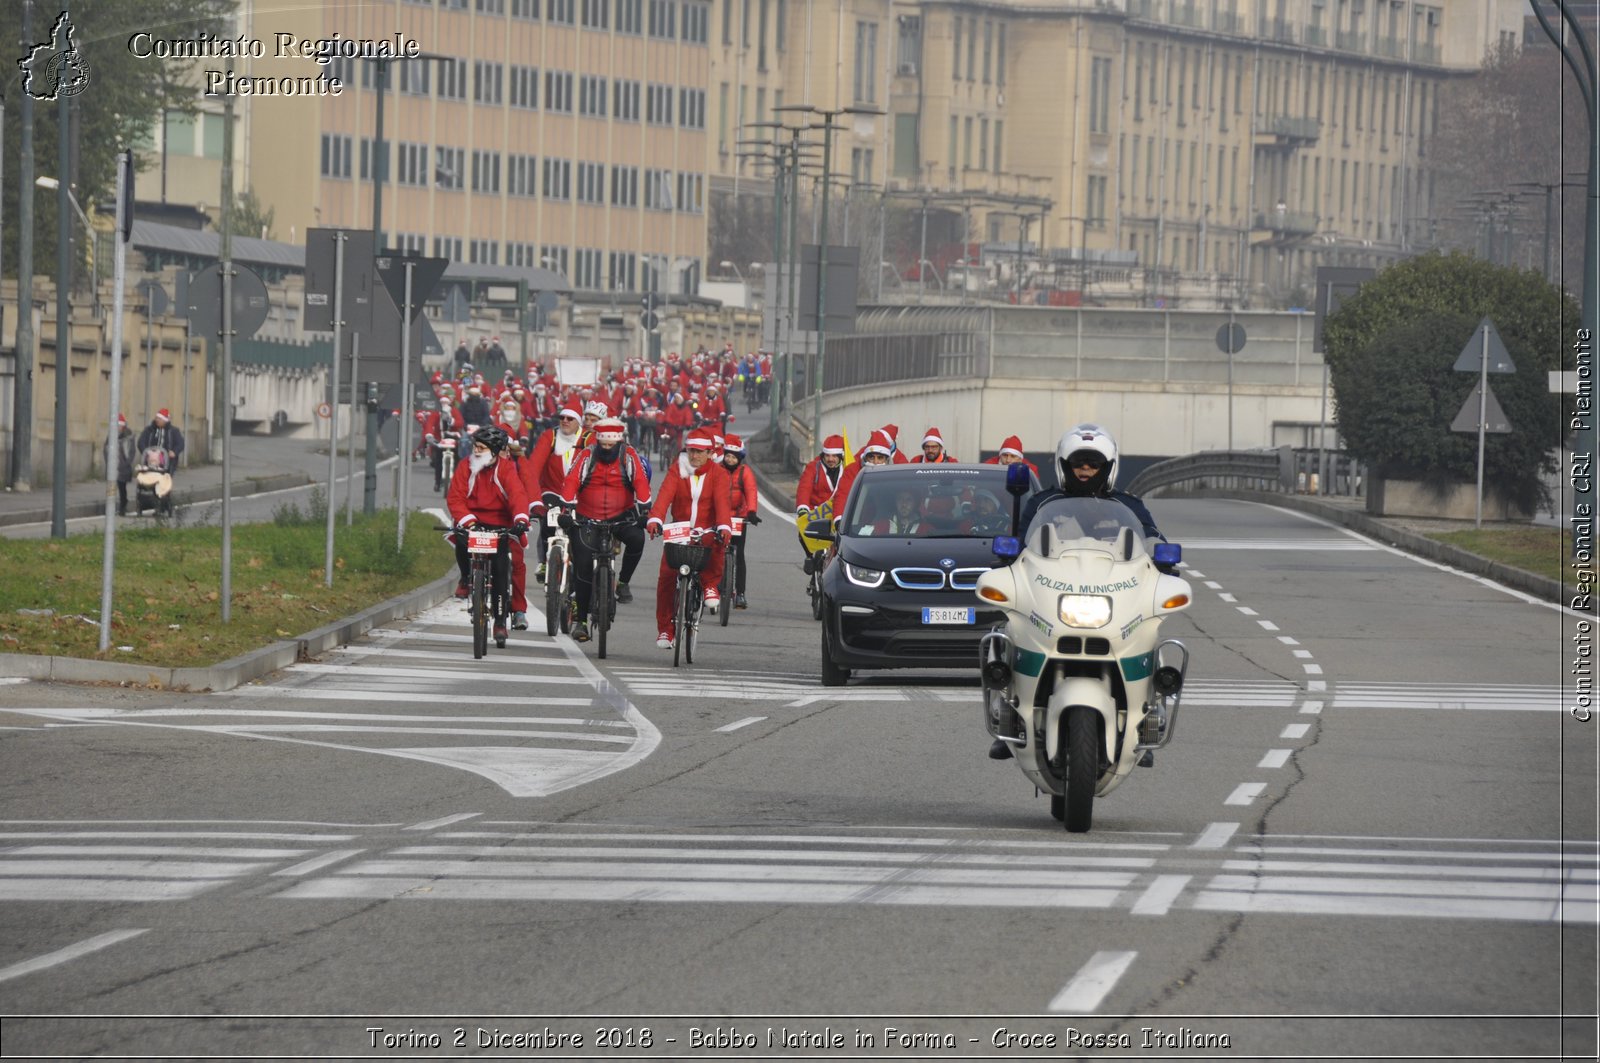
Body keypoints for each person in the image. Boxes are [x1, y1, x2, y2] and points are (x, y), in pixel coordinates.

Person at [991, 424, 1164, 761]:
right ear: (1064, 465)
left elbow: (1154, 541)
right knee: (1007, 631)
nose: (1085, 470)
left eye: (1093, 464)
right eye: (1078, 463)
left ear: (1109, 467)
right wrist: (1007, 555)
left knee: (1150, 635)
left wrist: (1164, 558)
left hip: (1113, 596)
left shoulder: (1129, 506)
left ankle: (1145, 718)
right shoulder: (1044, 503)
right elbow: (1020, 545)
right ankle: (1007, 713)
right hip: (1055, 594)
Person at [557, 416, 651, 642]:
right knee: (583, 563)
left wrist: (646, 509)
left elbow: (640, 482)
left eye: (611, 445)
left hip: (622, 516)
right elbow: (571, 482)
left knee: (638, 539)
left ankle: (623, 583)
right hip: (588, 518)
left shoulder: (628, 455)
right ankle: (581, 621)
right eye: (603, 445)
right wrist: (566, 511)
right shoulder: (587, 455)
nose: (607, 449)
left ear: (619, 442)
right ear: (598, 441)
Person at [645, 429, 733, 648]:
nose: (694, 456)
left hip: (706, 528)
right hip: (680, 528)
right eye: (691, 451)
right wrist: (655, 519)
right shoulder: (677, 469)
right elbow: (664, 496)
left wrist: (724, 526)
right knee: (666, 576)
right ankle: (666, 629)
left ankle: (710, 584)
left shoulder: (719, 474)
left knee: (717, 542)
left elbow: (722, 503)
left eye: (699, 452)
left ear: (710, 453)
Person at [445, 426, 533, 640]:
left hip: (499, 524)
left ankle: (500, 622)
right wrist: (469, 522)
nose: (476, 451)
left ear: (494, 451)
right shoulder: (466, 466)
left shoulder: (506, 469)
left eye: (481, 448)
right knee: (462, 543)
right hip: (471, 520)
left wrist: (521, 518)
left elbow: (517, 494)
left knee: (501, 569)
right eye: (475, 446)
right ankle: (466, 577)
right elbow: (455, 497)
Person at [721, 434, 761, 609]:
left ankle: (741, 593)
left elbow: (751, 491)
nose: (730, 459)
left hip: (738, 517)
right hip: (720, 517)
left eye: (733, 457)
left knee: (740, 555)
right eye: (727, 456)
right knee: (714, 553)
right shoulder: (717, 470)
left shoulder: (745, 472)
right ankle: (712, 588)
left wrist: (751, 512)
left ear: (739, 458)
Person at [106, 414, 135, 516]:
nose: (117, 428)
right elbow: (105, 449)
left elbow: (131, 453)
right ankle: (110, 506)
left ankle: (123, 505)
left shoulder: (128, 437)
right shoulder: (111, 436)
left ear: (123, 426)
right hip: (113, 466)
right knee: (111, 486)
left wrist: (126, 464)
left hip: (123, 468)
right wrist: (108, 463)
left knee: (122, 488)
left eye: (119, 426)